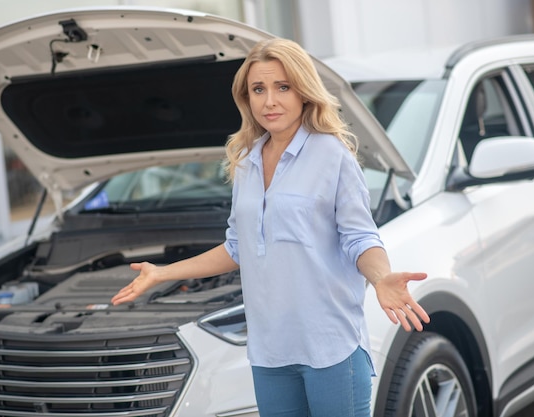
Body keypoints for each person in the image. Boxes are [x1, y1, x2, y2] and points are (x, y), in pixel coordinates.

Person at [112, 38, 430, 417]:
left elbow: (360, 237)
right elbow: (237, 247)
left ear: (304, 92)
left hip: (330, 347)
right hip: (270, 351)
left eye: (282, 87)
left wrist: (381, 278)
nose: (269, 101)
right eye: (258, 90)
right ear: (246, 98)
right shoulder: (245, 161)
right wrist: (162, 272)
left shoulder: (332, 155)